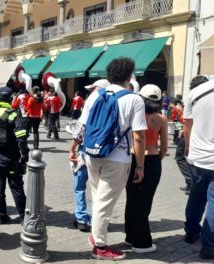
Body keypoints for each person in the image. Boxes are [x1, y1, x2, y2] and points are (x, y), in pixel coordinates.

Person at [80, 58, 146, 260]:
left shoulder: (95, 95)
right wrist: (141, 166)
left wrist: (78, 148)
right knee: (105, 202)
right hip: (117, 157)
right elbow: (139, 136)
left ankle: (95, 235)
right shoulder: (134, 99)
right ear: (129, 77)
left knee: (97, 195)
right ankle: (99, 246)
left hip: (92, 153)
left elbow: (82, 126)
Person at [124, 84, 168, 253]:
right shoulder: (160, 119)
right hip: (152, 159)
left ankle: (130, 237)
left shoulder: (133, 115)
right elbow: (164, 147)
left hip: (132, 158)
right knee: (145, 202)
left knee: (132, 199)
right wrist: (156, 160)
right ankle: (141, 242)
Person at [0, 87, 29, 225]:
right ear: (10, 99)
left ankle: (1, 217)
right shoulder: (13, 115)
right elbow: (21, 138)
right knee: (16, 187)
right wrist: (25, 156)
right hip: (10, 157)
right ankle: (24, 217)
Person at [183, 78, 214, 260]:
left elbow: (187, 126)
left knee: (197, 195)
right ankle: (209, 246)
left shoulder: (196, 91)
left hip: (197, 156)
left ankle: (191, 232)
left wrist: (188, 147)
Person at [176, 76, 209, 195]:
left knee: (181, 157)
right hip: (199, 137)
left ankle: (191, 182)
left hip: (190, 135)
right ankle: (190, 182)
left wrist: (187, 145)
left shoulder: (193, 96)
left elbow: (188, 122)